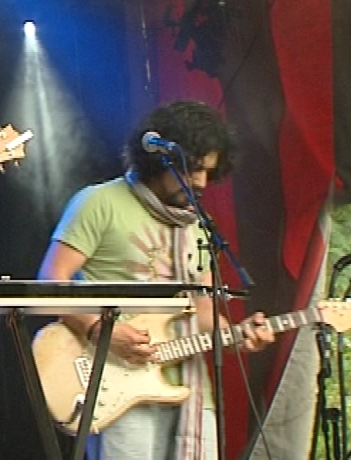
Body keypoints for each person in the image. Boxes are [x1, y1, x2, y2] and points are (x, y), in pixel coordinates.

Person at [37, 100, 274, 460]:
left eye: (208, 172)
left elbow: (204, 313)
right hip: (119, 386)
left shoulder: (197, 224)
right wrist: (100, 330)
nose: (200, 183)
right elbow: (50, 282)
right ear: (157, 160)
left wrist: (240, 336)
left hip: (191, 393)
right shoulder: (99, 202)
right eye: (192, 169)